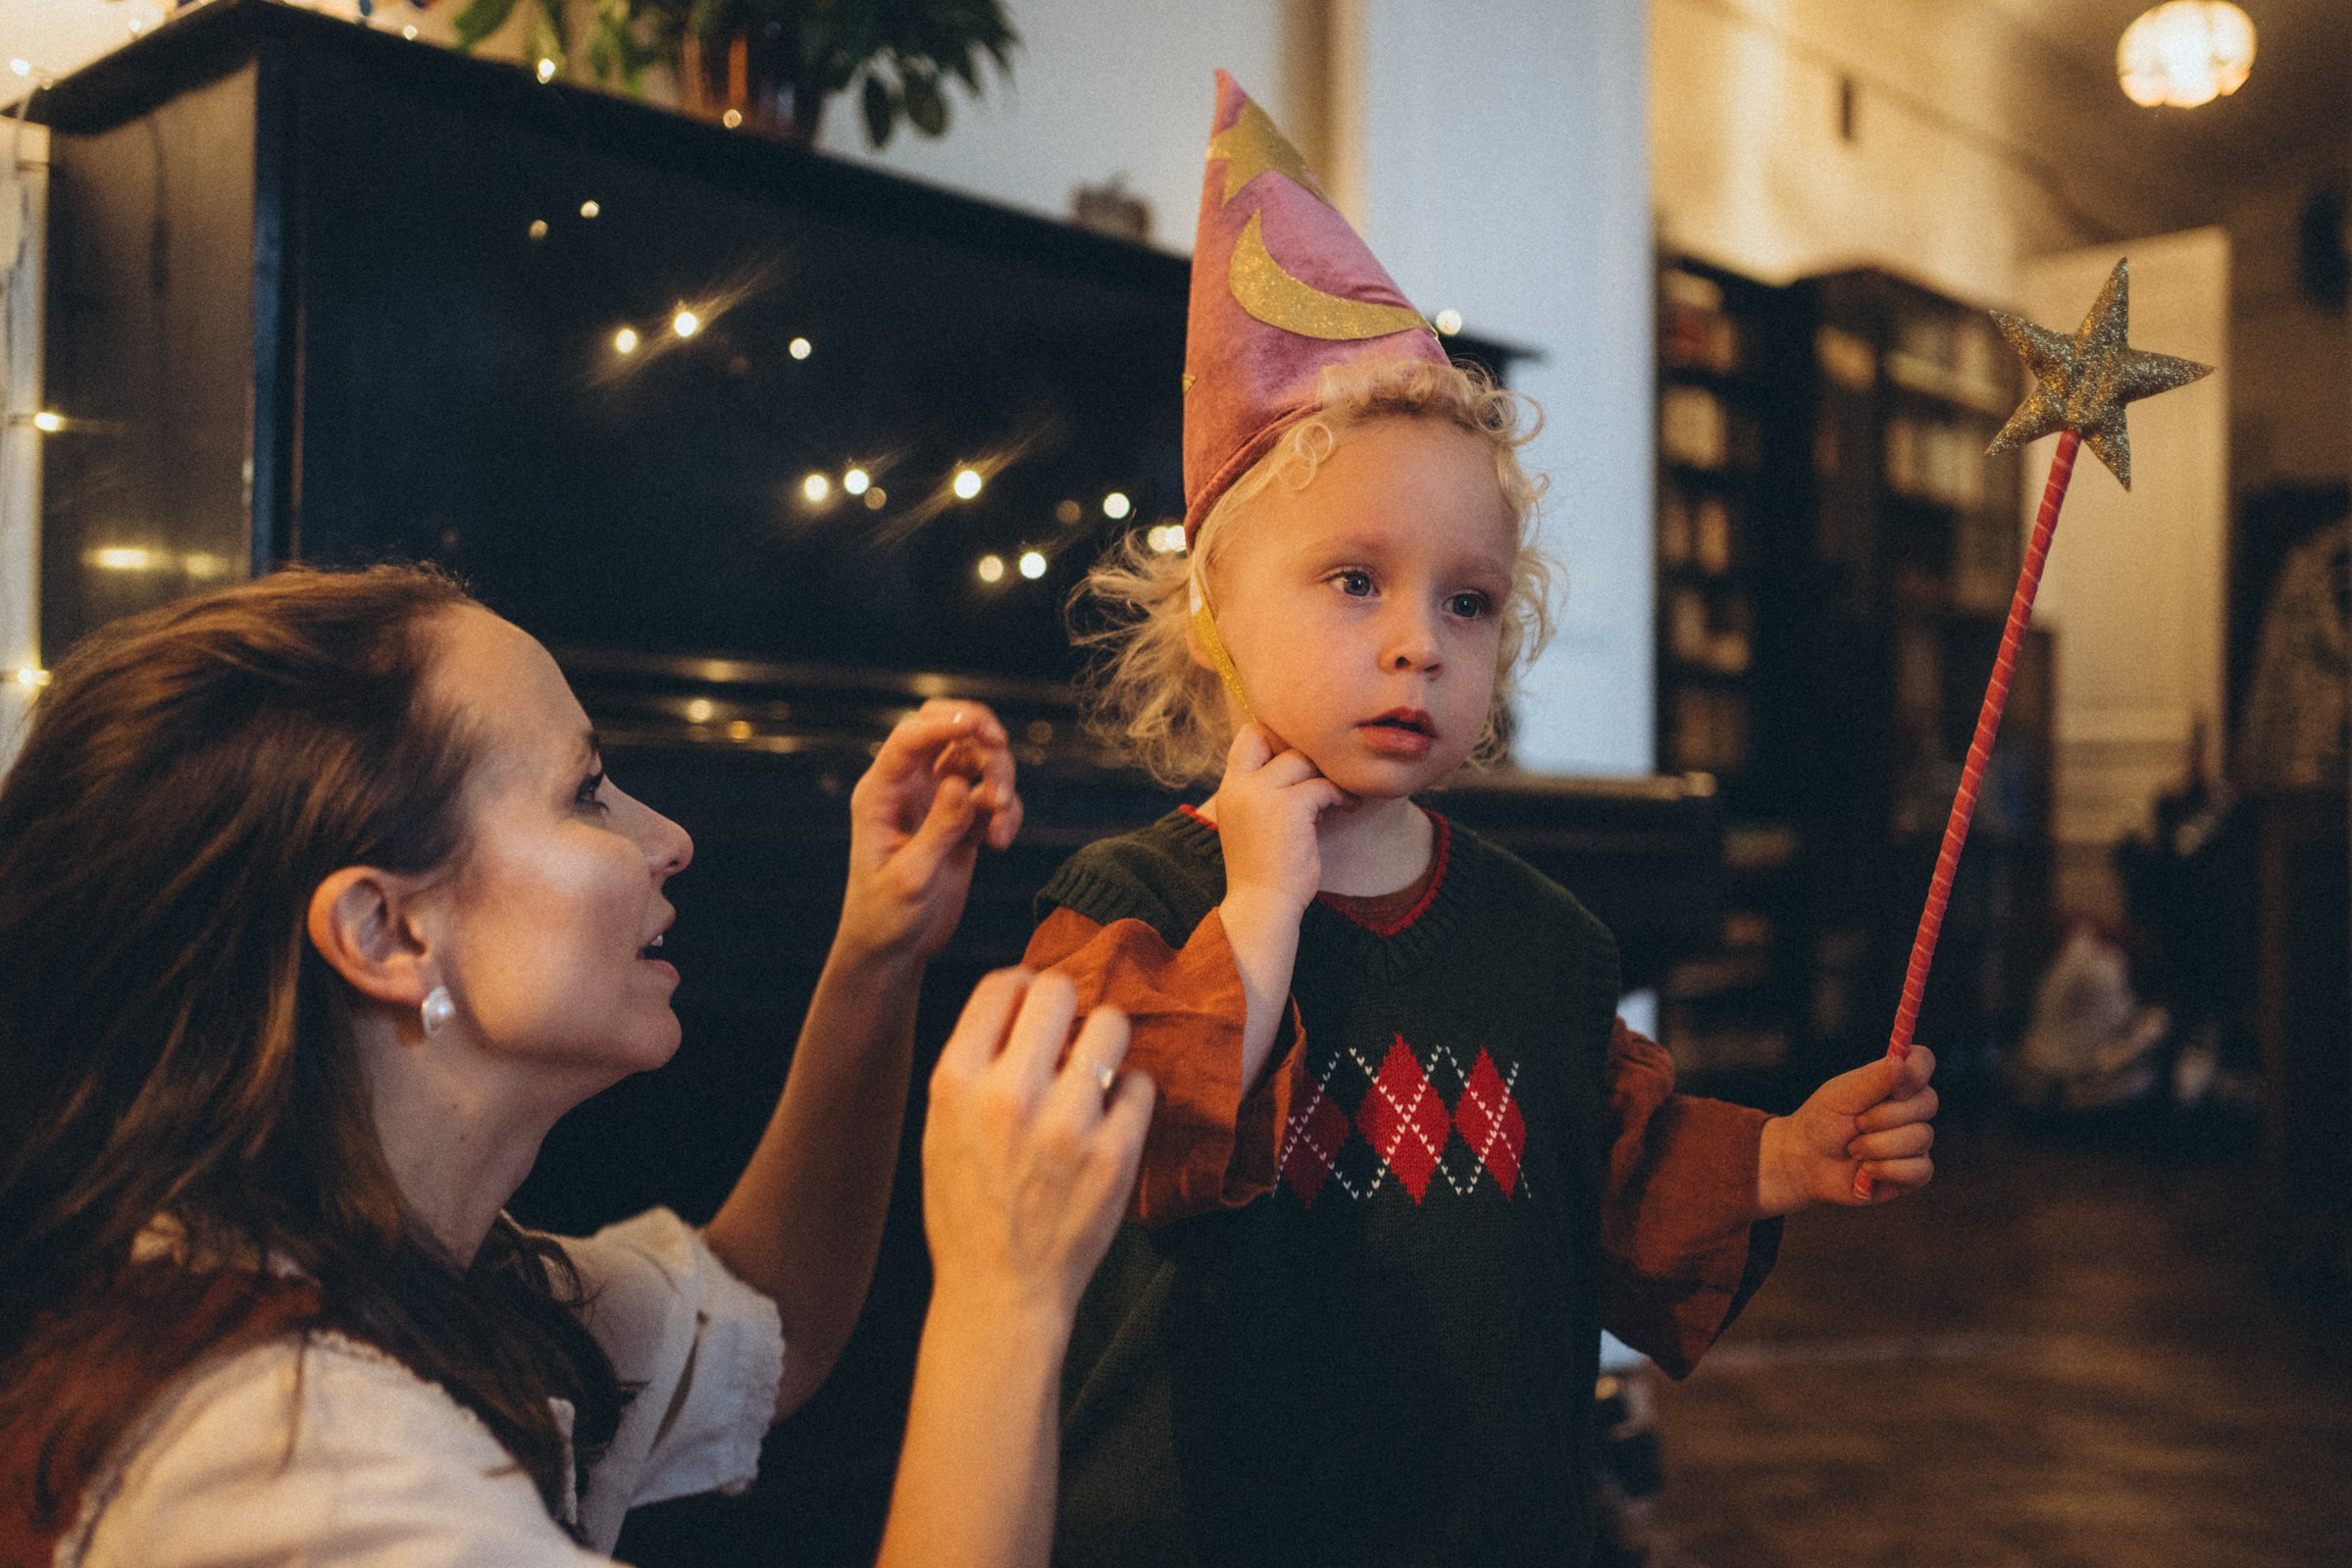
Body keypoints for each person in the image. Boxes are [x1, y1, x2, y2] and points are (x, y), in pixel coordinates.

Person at [1022, 74, 1941, 1565]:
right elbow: (1112, 1164)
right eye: (1352, 580)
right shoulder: (1125, 896)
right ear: (1210, 612)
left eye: (1467, 600)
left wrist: (1779, 1155)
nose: (1419, 644)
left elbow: (1613, 1173)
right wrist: (1256, 907)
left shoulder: (1543, 939)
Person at [0, 565, 1152, 1567]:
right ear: (385, 935)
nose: (667, 840)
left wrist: (876, 958)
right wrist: (1009, 1291)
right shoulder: (282, 1459)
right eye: (587, 791)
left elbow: (767, 1325)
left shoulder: (398, 1277)